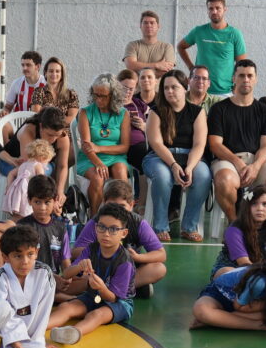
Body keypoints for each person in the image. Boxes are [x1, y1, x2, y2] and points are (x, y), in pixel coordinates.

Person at [208, 58, 266, 223]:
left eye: (250, 76)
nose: (246, 80)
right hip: (227, 160)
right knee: (225, 181)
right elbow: (215, 144)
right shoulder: (219, 109)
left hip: (257, 160)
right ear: (234, 78)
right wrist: (238, 163)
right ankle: (236, 223)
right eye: (241, 75)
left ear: (256, 79)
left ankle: (258, 224)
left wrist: (255, 166)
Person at [47, 202, 138, 343]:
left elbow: (113, 298)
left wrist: (101, 287)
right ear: (96, 228)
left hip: (120, 303)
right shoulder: (91, 248)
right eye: (102, 227)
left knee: (97, 315)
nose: (106, 234)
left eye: (113, 229)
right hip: (93, 295)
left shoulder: (125, 261)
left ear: (123, 233)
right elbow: (66, 274)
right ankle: (35, 329)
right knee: (66, 307)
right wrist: (79, 266)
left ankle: (73, 333)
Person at [143, 70, 212, 242]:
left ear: (185, 87)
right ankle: (160, 227)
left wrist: (189, 167)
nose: (169, 91)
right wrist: (174, 165)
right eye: (166, 88)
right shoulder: (155, 112)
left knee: (203, 175)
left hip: (190, 157)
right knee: (162, 176)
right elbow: (156, 144)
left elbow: (199, 144)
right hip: (159, 157)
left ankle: (189, 227)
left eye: (174, 87)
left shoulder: (197, 112)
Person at [71, 179, 167, 298]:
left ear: (131, 205)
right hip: (98, 270)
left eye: (122, 206)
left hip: (123, 270)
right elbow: (75, 253)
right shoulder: (96, 222)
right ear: (104, 203)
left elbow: (161, 254)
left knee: (159, 269)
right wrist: (100, 249)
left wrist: (138, 257)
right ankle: (130, 290)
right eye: (112, 205)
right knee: (74, 275)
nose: (117, 210)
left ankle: (114, 289)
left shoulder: (138, 223)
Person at [76, 74, 131, 215]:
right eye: (96, 95)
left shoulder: (123, 114)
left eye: (103, 96)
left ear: (113, 95)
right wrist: (98, 163)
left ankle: (121, 216)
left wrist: (99, 148)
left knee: (121, 173)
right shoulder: (85, 112)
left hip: (116, 156)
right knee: (97, 178)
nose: (98, 99)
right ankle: (95, 218)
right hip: (90, 158)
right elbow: (86, 146)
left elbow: (124, 147)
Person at [176, 0, 247, 98]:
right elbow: (180, 47)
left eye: (218, 8)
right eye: (211, 8)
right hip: (200, 91)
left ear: (225, 9)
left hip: (225, 92)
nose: (214, 11)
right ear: (207, 11)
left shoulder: (234, 34)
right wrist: (191, 67)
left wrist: (237, 85)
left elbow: (242, 65)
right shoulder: (199, 31)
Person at [210, 185, 266, 275]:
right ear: (247, 207)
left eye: (265, 204)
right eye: (254, 203)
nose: (260, 208)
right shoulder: (234, 230)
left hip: (262, 269)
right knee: (227, 272)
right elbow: (244, 263)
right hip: (237, 270)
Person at [15, 174, 69, 271]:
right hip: (30, 277)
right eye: (37, 202)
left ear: (55, 200)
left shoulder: (61, 228)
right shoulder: (22, 227)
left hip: (54, 279)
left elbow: (66, 264)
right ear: (29, 201)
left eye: (47, 202)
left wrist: (69, 277)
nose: (42, 208)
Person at [3, 138, 55, 218]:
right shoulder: (38, 165)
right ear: (43, 157)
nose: (46, 164)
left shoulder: (23, 165)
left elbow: (11, 173)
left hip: (18, 190)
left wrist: (9, 186)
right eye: (47, 161)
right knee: (27, 210)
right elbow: (41, 181)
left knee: (18, 211)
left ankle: (16, 220)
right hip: (28, 190)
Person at [122, 67, 158, 172]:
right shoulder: (112, 104)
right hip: (126, 145)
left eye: (131, 89)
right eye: (124, 88)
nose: (127, 92)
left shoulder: (138, 103)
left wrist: (144, 126)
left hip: (142, 144)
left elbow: (155, 125)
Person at [124, 10, 177, 76]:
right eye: (145, 23)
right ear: (140, 26)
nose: (149, 25)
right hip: (138, 83)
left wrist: (140, 68)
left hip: (159, 83)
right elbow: (130, 65)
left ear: (158, 26)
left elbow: (168, 70)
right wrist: (156, 65)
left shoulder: (167, 47)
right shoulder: (133, 45)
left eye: (152, 23)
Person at [4, 50, 43, 115]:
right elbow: (8, 107)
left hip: (41, 121)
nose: (24, 68)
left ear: (38, 66)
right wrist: (4, 112)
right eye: (23, 65)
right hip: (20, 120)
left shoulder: (46, 84)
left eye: (28, 65)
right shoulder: (16, 83)